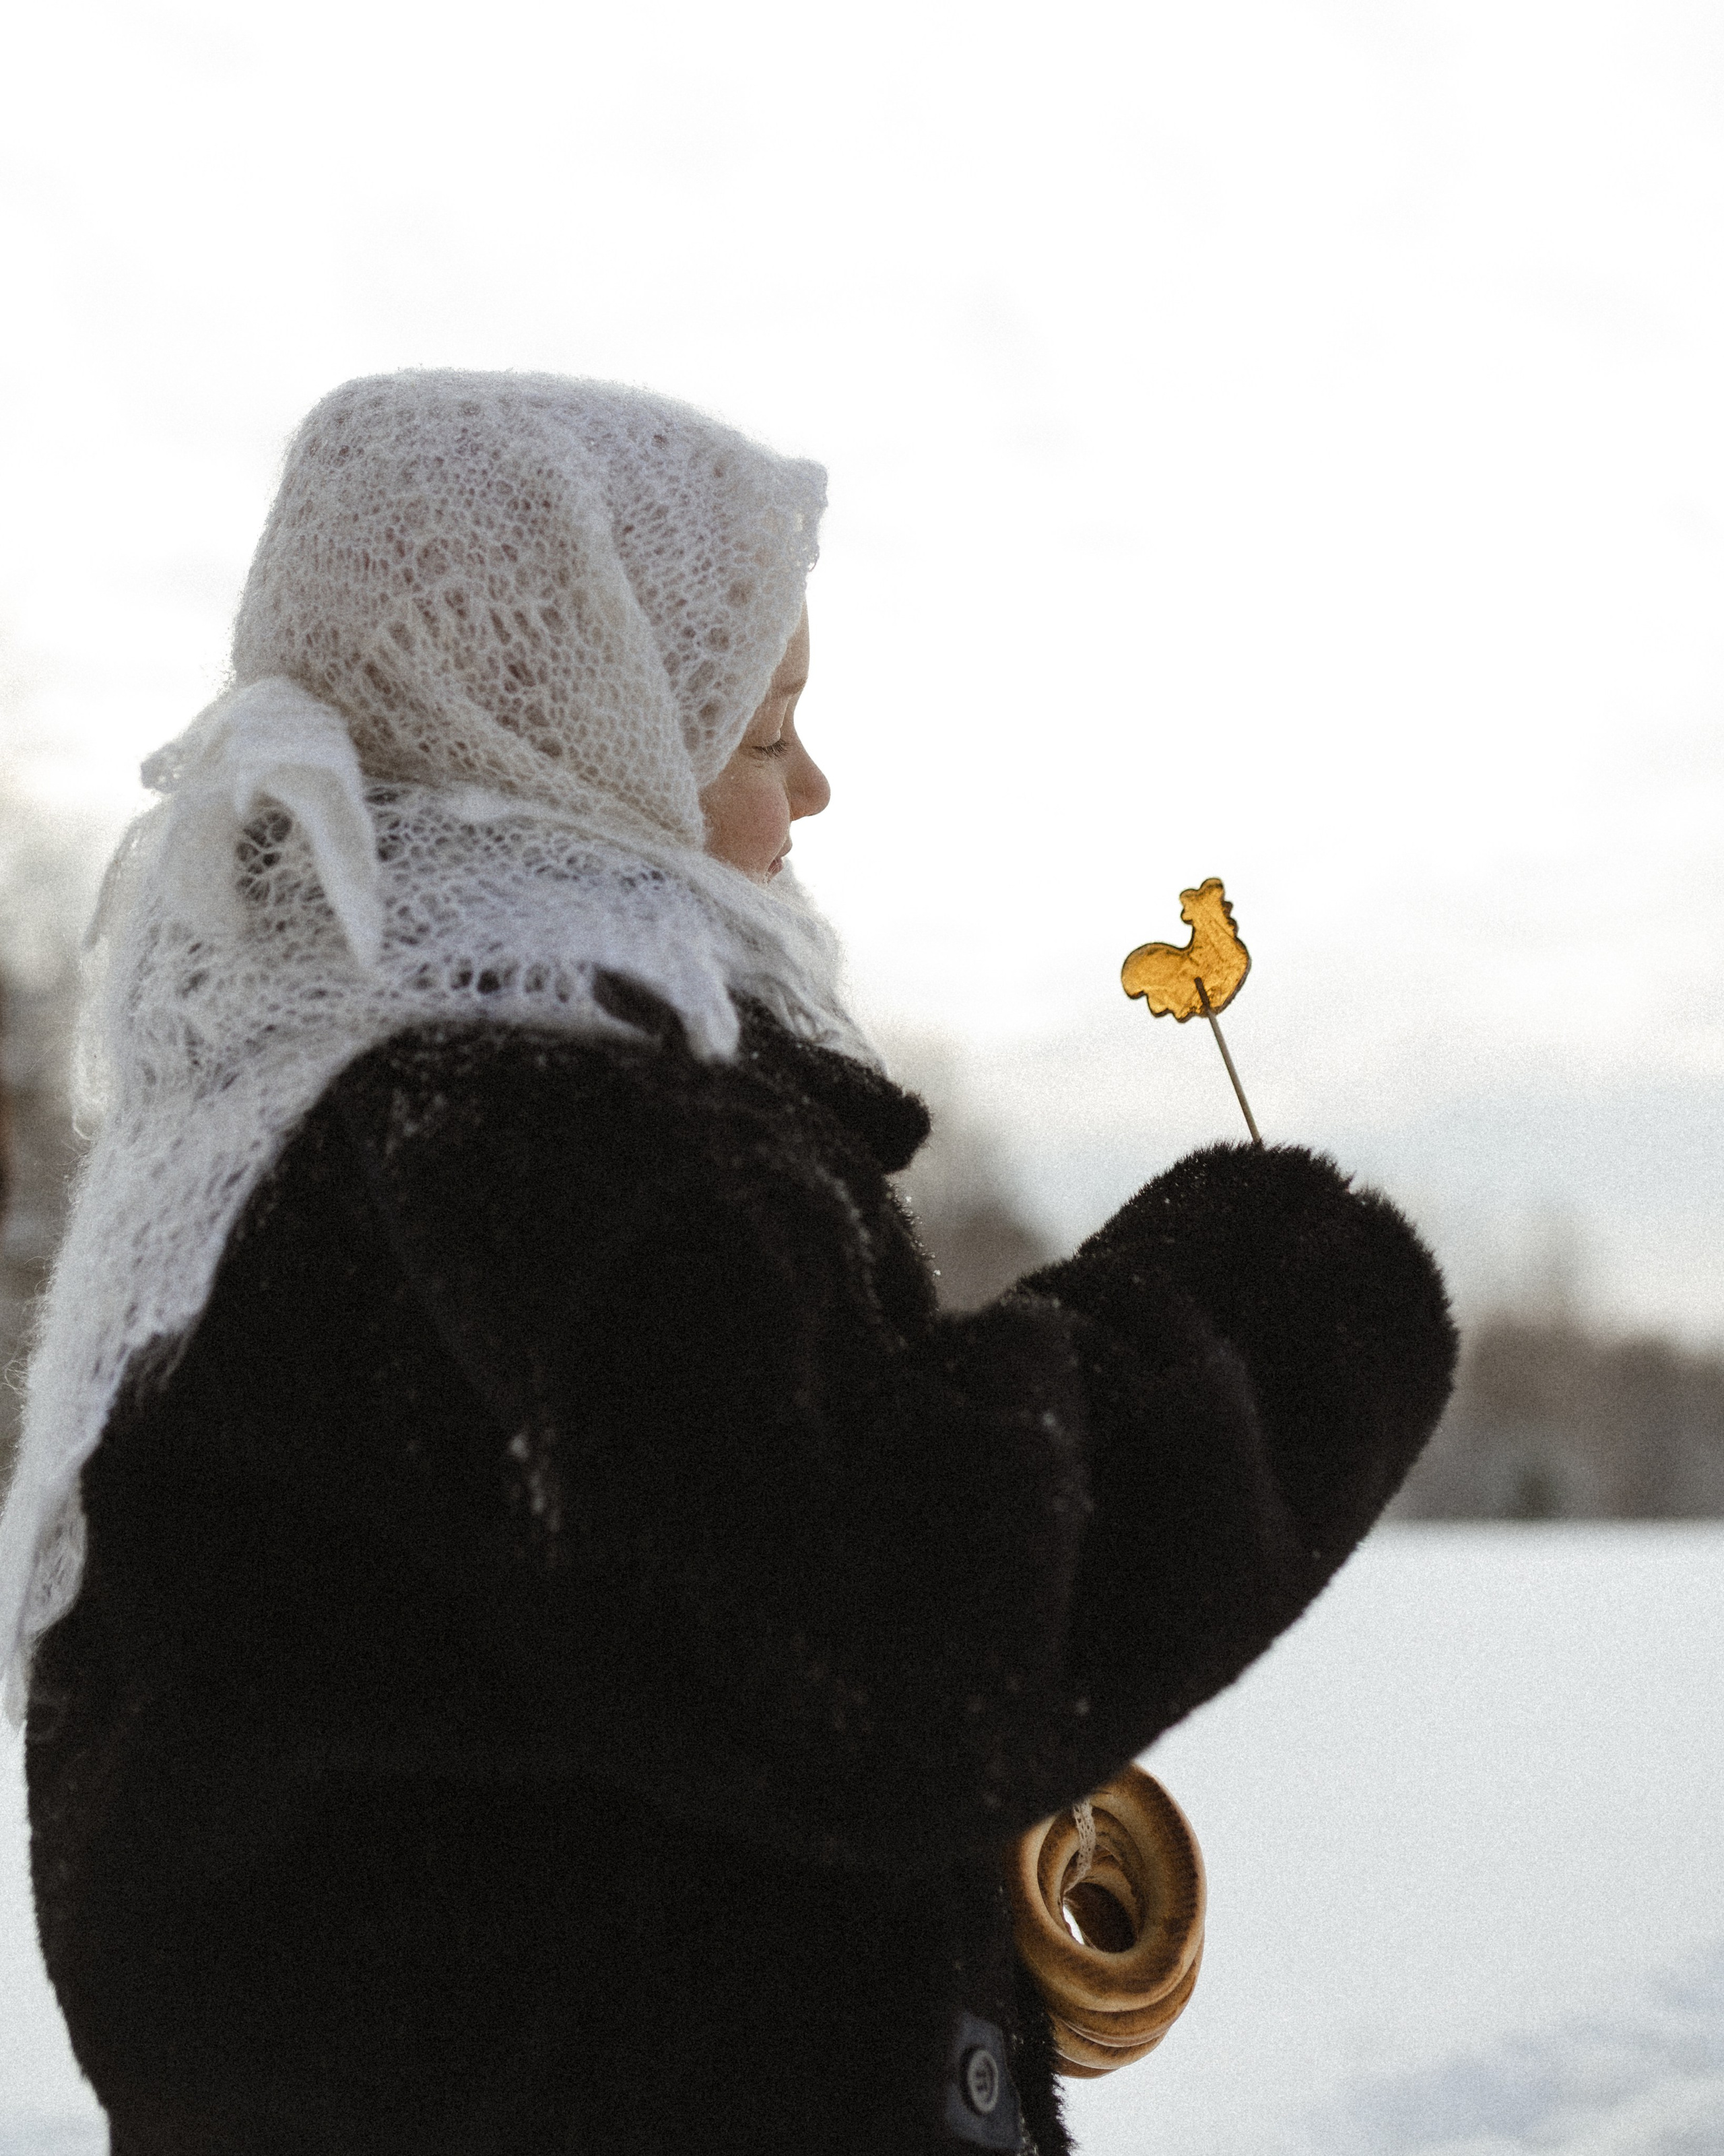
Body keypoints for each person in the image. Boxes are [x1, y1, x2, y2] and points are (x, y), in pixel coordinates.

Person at [4, 371, 1455, 2156]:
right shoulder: (524, 1121)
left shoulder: (298, 1115)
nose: (817, 786)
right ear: (574, 727)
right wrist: (1283, 1290)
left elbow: (657, 1639)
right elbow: (900, 1628)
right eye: (768, 732)